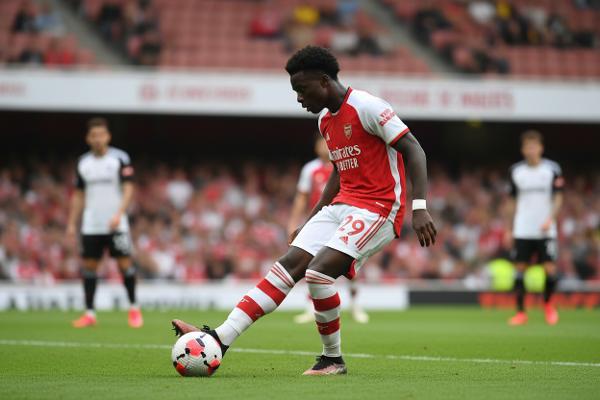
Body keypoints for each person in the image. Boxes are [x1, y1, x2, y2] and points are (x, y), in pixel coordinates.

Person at [172, 45, 436, 375]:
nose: (299, 98)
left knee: (318, 273)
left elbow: (414, 149)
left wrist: (420, 207)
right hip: (342, 205)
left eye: (302, 89)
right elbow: (339, 172)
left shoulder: (368, 107)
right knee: (285, 268)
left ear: (324, 81)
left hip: (378, 207)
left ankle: (332, 359)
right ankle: (219, 339)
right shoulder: (325, 120)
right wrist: (312, 220)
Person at [66, 118, 143, 328]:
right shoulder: (83, 163)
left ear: (108, 137)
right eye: (94, 135)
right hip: (92, 224)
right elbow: (79, 194)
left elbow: (128, 188)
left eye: (101, 135)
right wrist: (72, 222)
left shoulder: (119, 158)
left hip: (116, 223)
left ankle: (134, 308)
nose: (98, 139)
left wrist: (119, 213)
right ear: (88, 138)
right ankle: (90, 313)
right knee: (89, 267)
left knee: (125, 265)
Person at [289, 135, 369, 324]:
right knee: (311, 262)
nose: (324, 146)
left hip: (346, 219)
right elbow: (302, 197)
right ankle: (310, 308)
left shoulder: (347, 164)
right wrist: (294, 222)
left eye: (326, 142)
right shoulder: (310, 169)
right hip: (321, 222)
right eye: (321, 143)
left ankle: (355, 305)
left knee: (350, 262)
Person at [507, 130, 563, 326]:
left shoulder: (552, 169)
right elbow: (512, 201)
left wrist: (551, 218)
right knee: (520, 269)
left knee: (550, 269)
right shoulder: (516, 171)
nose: (531, 150)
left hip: (546, 229)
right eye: (528, 147)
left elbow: (558, 197)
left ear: (541, 148)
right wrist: (509, 227)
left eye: (534, 146)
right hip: (523, 228)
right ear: (523, 150)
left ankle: (548, 305)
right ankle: (521, 312)